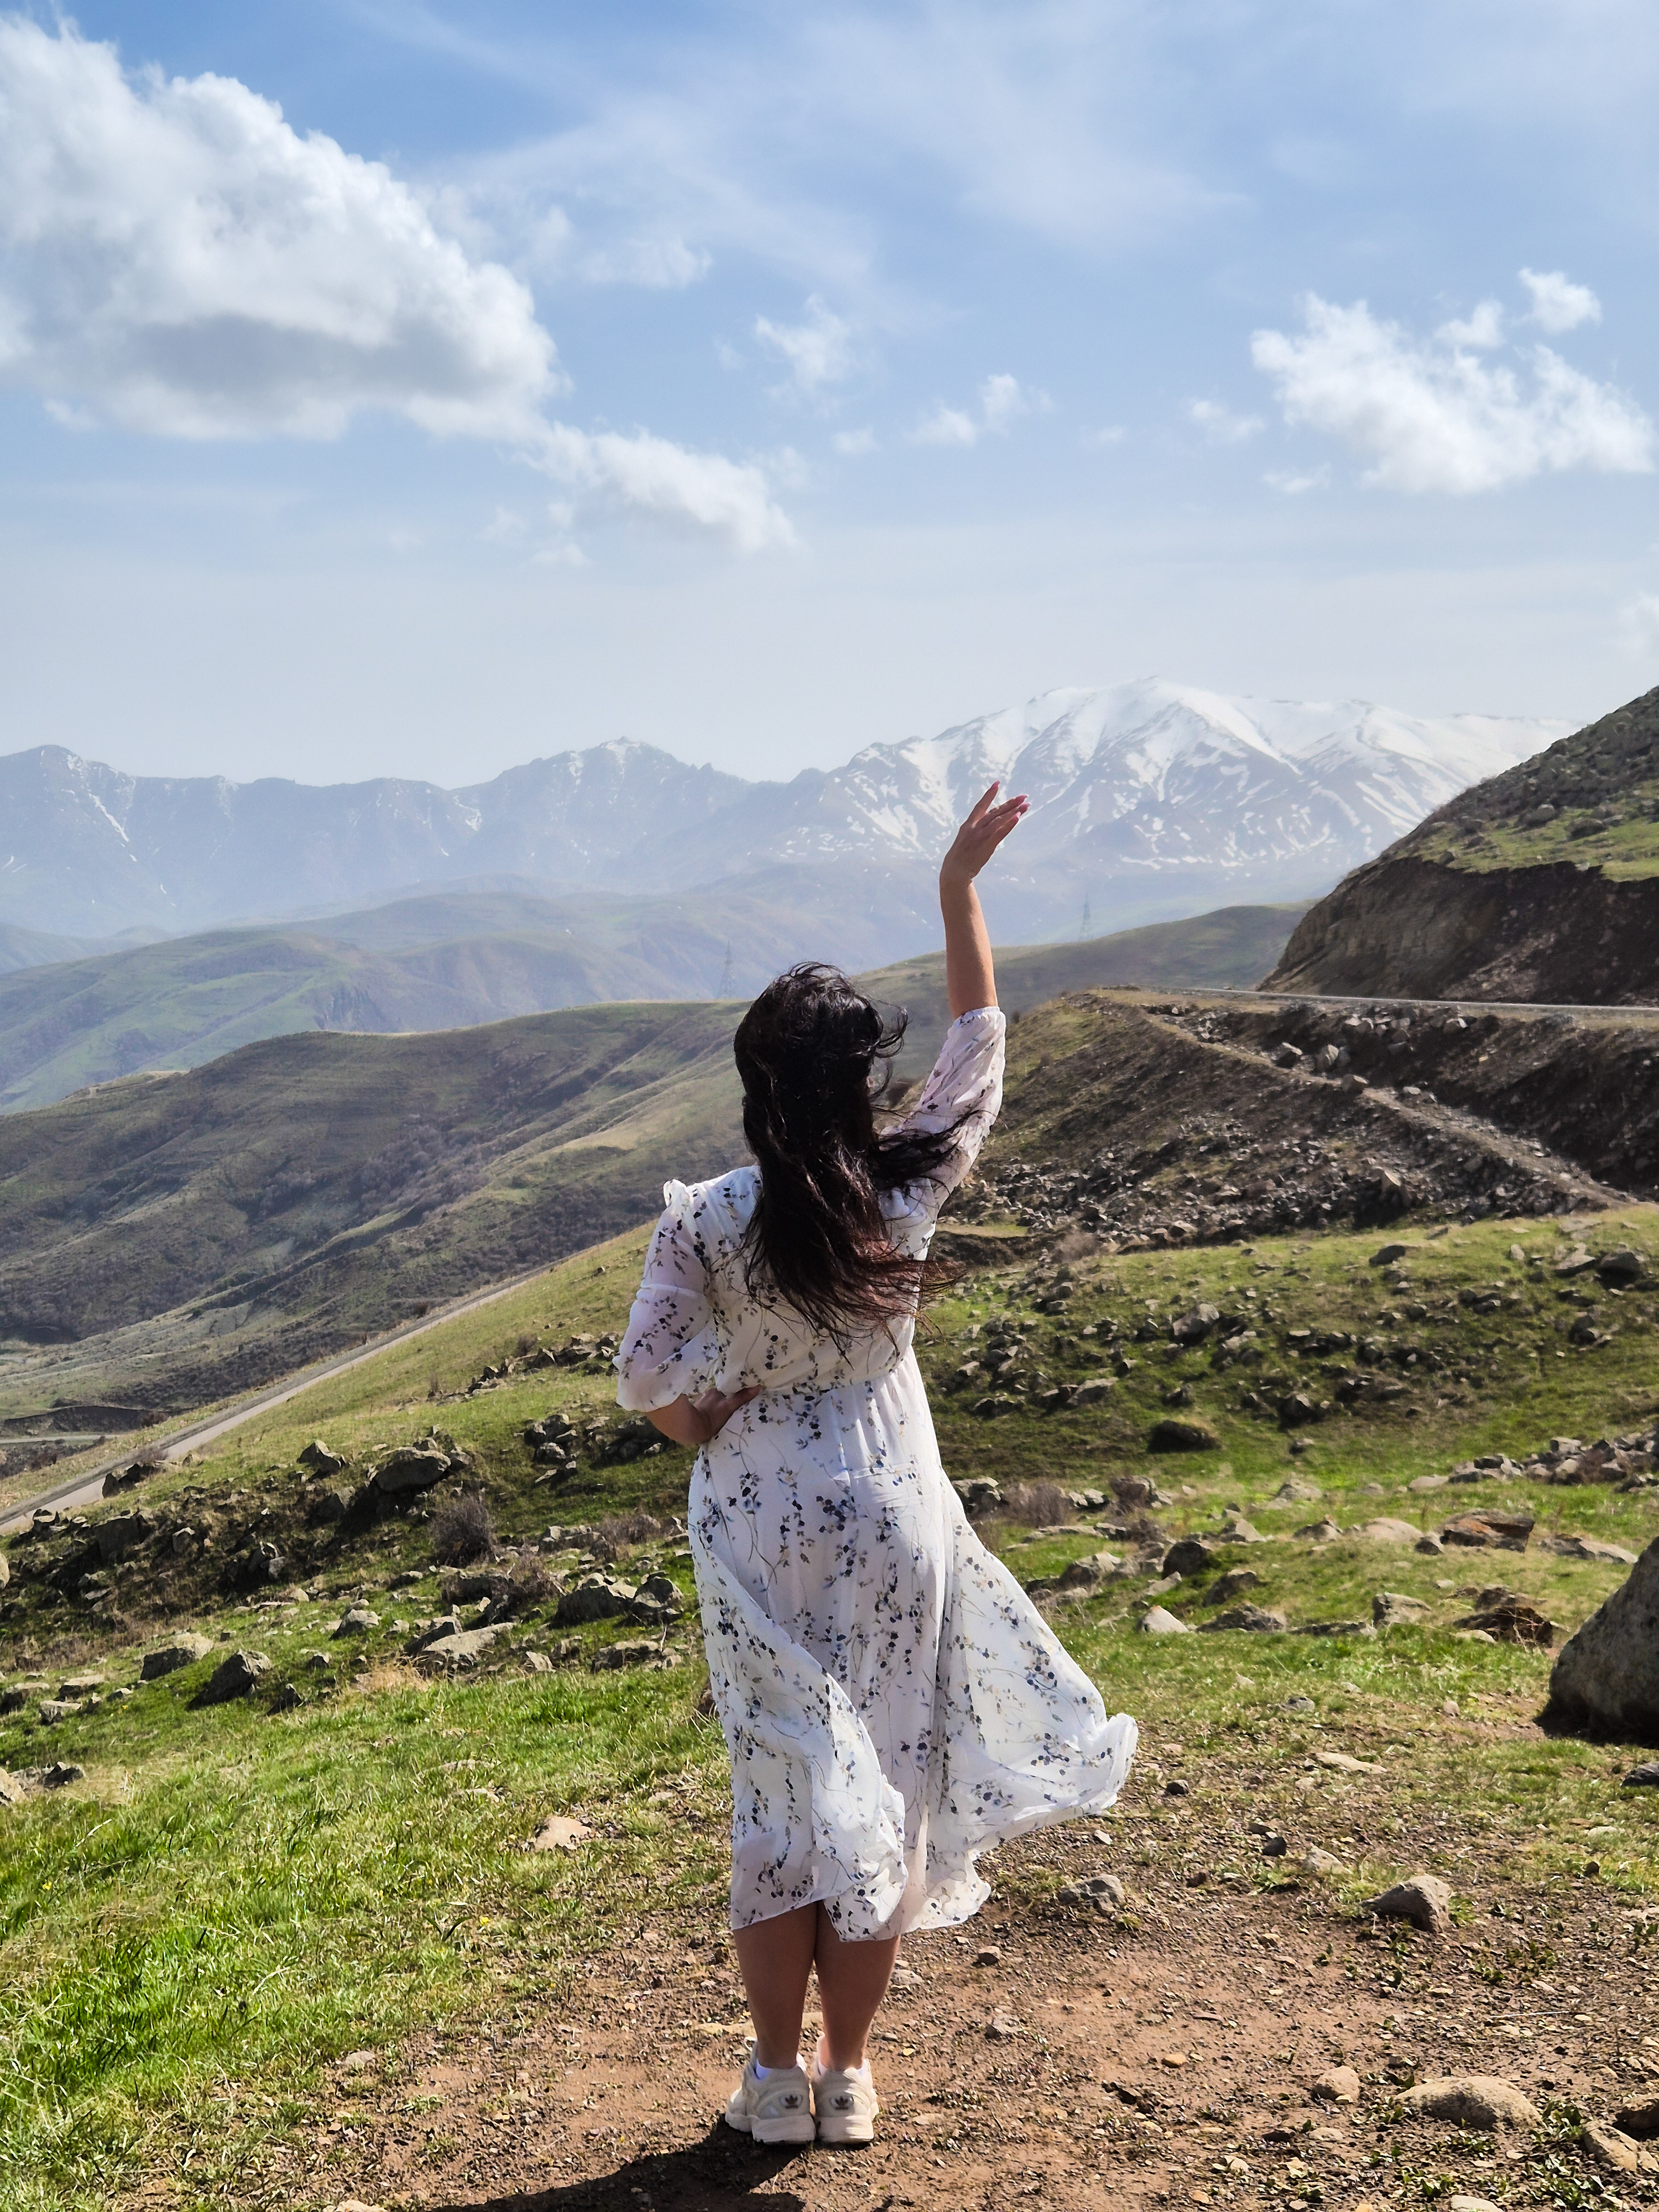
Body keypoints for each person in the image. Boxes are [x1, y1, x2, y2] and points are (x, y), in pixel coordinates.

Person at [615, 783, 1137, 2149]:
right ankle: (848, 2076)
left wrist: (715, 1412)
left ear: (754, 1088)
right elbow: (979, 1046)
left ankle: (773, 2078)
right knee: (888, 1781)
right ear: (858, 1085)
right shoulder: (902, 1188)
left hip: (760, 1513)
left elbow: (646, 1377)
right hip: (894, 1501)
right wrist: (958, 889)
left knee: (780, 1792)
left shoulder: (705, 1220)